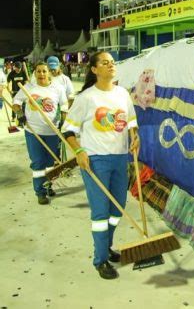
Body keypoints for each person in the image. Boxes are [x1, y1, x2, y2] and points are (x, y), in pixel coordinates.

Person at [61, 52, 139, 280]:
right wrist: (79, 151)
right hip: (95, 160)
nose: (111, 65)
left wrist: (135, 136)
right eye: (105, 62)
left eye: (112, 62)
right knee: (100, 211)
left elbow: (131, 121)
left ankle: (107, 246)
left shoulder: (122, 93)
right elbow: (69, 131)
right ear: (94, 69)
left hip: (120, 157)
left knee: (117, 208)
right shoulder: (86, 98)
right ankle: (100, 259)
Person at [12, 62, 68, 204]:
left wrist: (63, 119)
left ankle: (48, 186)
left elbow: (64, 105)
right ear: (34, 73)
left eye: (44, 71)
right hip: (33, 131)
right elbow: (16, 101)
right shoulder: (28, 87)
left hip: (52, 131)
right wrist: (19, 113)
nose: (41, 74)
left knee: (50, 163)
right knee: (38, 162)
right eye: (38, 71)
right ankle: (40, 192)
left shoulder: (58, 88)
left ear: (49, 72)